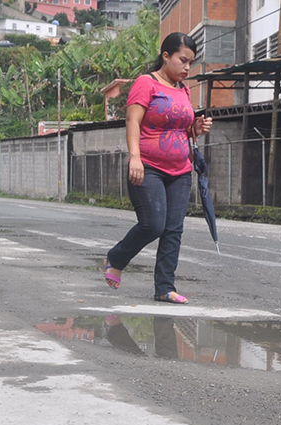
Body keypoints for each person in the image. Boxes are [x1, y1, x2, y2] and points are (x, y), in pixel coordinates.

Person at [103, 33, 213, 305]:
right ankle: (116, 258)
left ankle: (165, 287)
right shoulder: (146, 83)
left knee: (174, 230)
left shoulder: (184, 89)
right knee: (153, 224)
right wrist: (135, 157)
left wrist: (195, 129)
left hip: (180, 169)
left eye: (191, 63)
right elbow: (132, 121)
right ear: (166, 56)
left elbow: (182, 129)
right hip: (148, 166)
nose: (187, 68)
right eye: (183, 60)